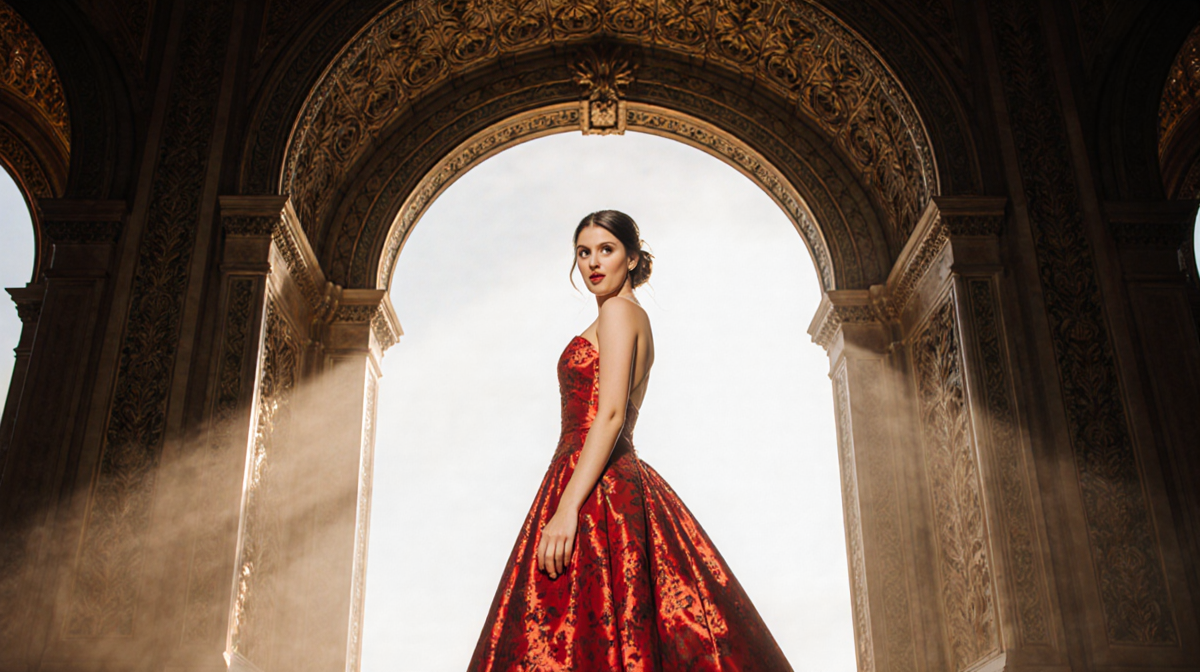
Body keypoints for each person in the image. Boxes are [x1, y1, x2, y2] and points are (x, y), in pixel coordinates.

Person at [468, 210, 793, 671]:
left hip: (596, 485)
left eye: (607, 249)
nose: (593, 262)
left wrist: (566, 508)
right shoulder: (628, 315)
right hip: (602, 477)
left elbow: (611, 415)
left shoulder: (619, 312)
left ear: (633, 258)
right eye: (583, 252)